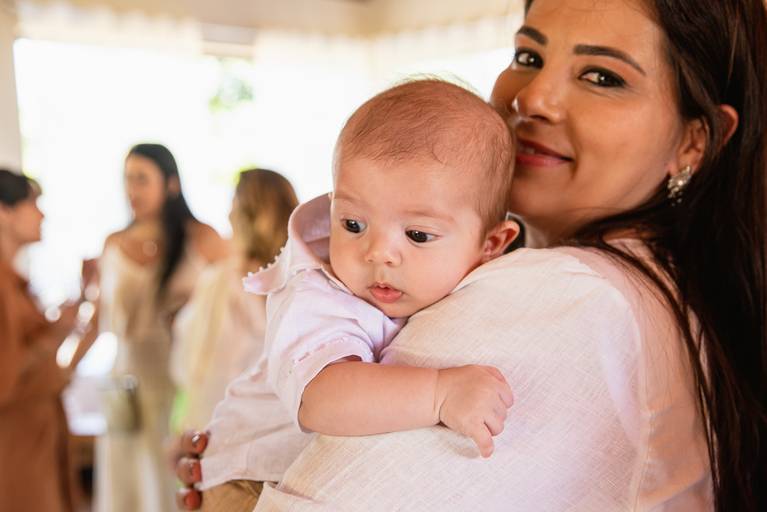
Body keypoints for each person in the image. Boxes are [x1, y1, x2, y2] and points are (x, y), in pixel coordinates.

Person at [178, 0, 767, 510]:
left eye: (602, 76)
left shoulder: (573, 294)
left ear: (695, 139)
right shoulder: (658, 287)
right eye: (529, 56)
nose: (533, 97)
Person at [196, 80, 519, 511]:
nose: (378, 252)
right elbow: (323, 398)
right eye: (353, 225)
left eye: (417, 235)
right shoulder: (318, 295)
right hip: (247, 480)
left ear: (491, 244)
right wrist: (440, 393)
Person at [94, 144, 228, 512]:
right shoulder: (113, 242)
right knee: (124, 481)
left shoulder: (201, 238)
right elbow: (98, 317)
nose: (131, 189)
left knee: (168, 477)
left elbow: (234, 302)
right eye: (127, 179)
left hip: (178, 382)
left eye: (142, 179)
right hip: (124, 380)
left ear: (170, 184)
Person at [169, 168, 298, 432]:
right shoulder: (306, 281)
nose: (228, 214)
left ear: (245, 214)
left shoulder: (221, 281)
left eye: (233, 204)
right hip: (287, 425)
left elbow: (198, 365)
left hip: (229, 422)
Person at [0, 169, 99, 512]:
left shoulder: (15, 284)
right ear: (4, 212)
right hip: (16, 445)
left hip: (38, 436)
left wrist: (73, 311)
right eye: (32, 204)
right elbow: (7, 376)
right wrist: (55, 332)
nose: (41, 215)